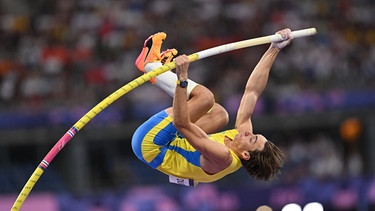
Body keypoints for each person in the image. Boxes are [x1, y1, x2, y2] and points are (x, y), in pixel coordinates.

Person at [131, 28, 292, 185]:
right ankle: (159, 72)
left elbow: (181, 123)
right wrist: (274, 49)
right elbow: (252, 92)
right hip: (175, 142)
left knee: (206, 98)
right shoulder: (241, 140)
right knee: (220, 114)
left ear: (245, 154)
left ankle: (150, 65)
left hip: (151, 145)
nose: (249, 132)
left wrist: (182, 79)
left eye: (252, 138)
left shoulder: (223, 156)